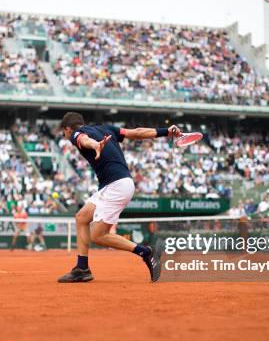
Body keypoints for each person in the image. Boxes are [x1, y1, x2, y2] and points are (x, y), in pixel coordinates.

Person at [57, 112, 181, 283]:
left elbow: (84, 139)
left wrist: (94, 146)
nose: (66, 135)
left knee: (98, 235)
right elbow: (136, 132)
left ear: (68, 129)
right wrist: (165, 131)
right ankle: (82, 268)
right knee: (82, 217)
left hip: (116, 185)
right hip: (113, 184)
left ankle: (146, 252)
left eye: (65, 133)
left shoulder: (76, 134)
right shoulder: (106, 128)